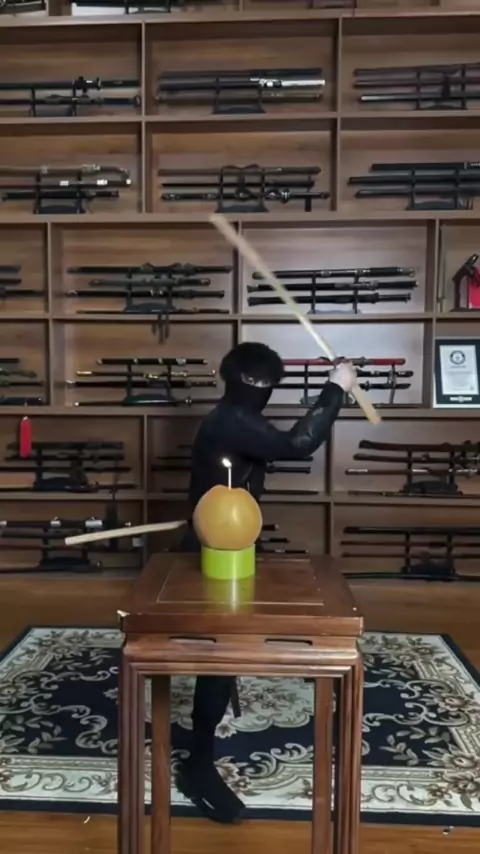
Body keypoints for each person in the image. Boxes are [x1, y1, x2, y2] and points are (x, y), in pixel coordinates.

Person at [176, 342, 357, 823]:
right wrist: (336, 390)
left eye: (266, 384)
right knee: (219, 651)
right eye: (252, 382)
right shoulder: (229, 419)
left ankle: (208, 729)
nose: (258, 389)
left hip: (233, 540)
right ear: (229, 378)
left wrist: (332, 390)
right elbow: (297, 444)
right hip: (210, 547)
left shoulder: (239, 418)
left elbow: (279, 441)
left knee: (228, 644)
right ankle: (197, 765)